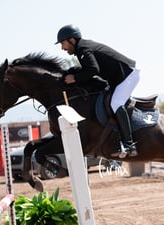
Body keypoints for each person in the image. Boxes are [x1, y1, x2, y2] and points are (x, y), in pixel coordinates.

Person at [56, 24, 140, 158]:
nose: (62, 48)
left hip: (128, 75)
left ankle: (129, 145)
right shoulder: (81, 49)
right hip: (117, 79)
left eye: (63, 43)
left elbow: (93, 70)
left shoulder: (83, 49)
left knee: (116, 104)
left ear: (72, 40)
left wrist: (75, 78)